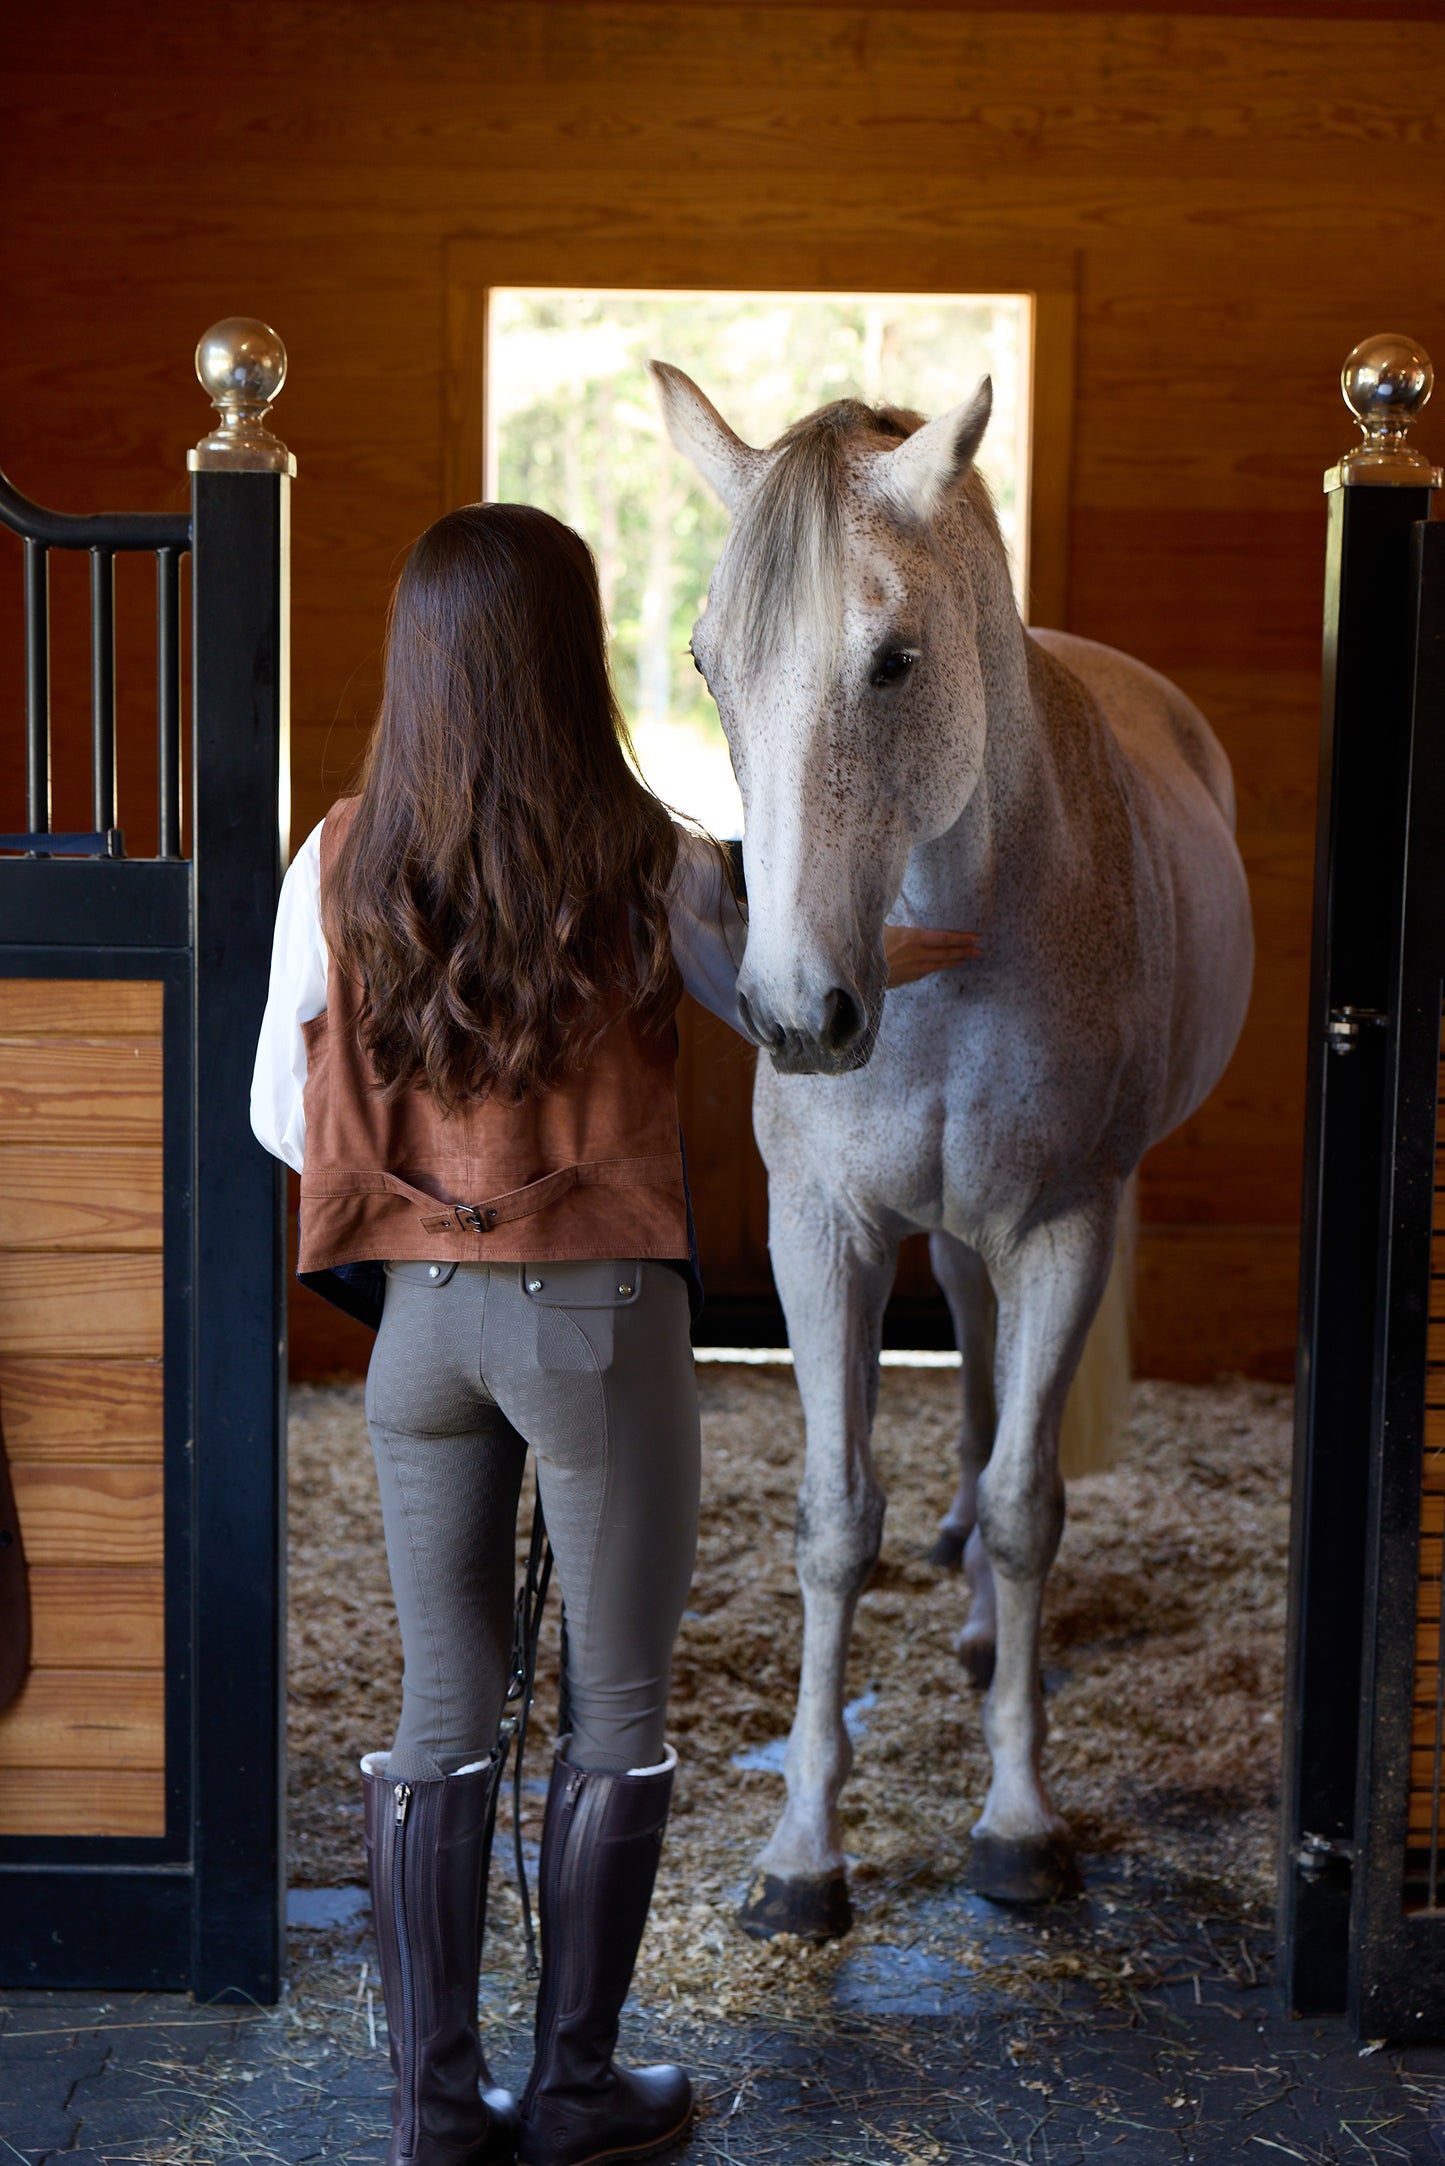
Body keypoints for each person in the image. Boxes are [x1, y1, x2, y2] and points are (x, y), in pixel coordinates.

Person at [251, 501, 977, 2166]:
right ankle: (575, 2088)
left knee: (441, 1709)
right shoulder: (652, 855)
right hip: (597, 1323)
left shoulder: (338, 853)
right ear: (569, 659)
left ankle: (435, 2105)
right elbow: (786, 1014)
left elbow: (281, 1117)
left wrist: (431, 1196)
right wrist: (897, 958)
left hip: (417, 1337)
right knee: (617, 1704)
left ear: (417, 659)